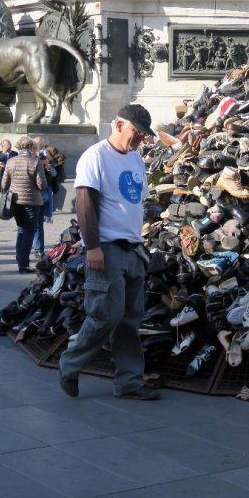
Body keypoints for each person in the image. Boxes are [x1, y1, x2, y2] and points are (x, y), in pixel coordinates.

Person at [59, 104, 159, 401]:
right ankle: (70, 363)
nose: (140, 138)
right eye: (136, 132)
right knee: (106, 315)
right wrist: (92, 246)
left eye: (143, 134)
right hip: (106, 247)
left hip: (132, 248)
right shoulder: (96, 156)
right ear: (118, 125)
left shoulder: (137, 159)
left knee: (130, 318)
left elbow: (136, 201)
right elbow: (85, 203)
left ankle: (129, 381)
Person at [0, 136, 46, 273]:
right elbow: (41, 184)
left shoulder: (11, 161)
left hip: (15, 201)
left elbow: (4, 184)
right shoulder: (35, 161)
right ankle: (24, 264)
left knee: (21, 229)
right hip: (32, 201)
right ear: (31, 147)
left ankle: (19, 256)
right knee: (29, 231)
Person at [31, 137, 58, 260]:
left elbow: (53, 175)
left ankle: (38, 249)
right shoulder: (30, 159)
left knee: (37, 224)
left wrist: (47, 166)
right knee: (29, 225)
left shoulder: (43, 158)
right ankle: (31, 249)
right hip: (31, 195)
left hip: (41, 196)